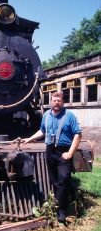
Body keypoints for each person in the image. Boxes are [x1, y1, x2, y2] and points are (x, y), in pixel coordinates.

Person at [22, 92, 82, 223]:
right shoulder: (46, 115)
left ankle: (62, 211)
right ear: (51, 101)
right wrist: (30, 139)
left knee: (64, 178)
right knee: (54, 180)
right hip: (50, 150)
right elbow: (43, 131)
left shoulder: (69, 116)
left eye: (59, 100)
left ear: (63, 102)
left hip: (64, 151)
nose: (56, 102)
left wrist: (70, 153)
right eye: (54, 100)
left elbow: (78, 135)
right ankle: (57, 204)